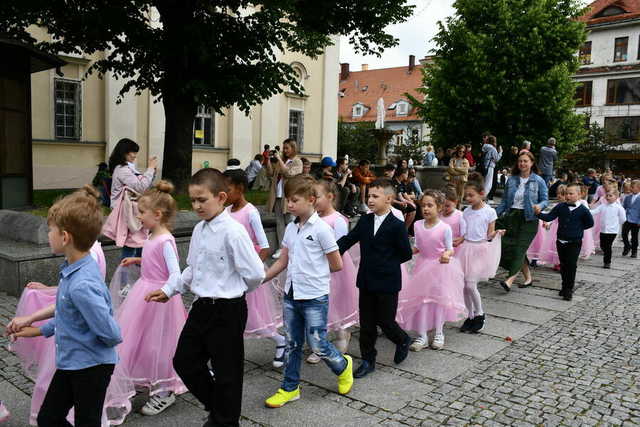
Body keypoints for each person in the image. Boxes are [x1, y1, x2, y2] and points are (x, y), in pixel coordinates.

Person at [145, 168, 265, 427]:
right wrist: (169, 290)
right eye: (193, 200)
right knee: (184, 361)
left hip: (228, 310)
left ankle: (225, 420)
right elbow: (192, 268)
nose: (197, 205)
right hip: (201, 307)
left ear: (221, 197)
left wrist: (235, 294)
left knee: (227, 373)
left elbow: (255, 273)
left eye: (202, 199)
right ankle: (220, 410)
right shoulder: (199, 229)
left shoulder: (233, 232)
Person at [9, 186, 122, 426]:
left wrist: (85, 344)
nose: (48, 234)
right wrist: (38, 329)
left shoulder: (82, 284)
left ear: (65, 237)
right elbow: (70, 315)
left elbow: (111, 333)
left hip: (91, 367)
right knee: (49, 417)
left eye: (50, 229)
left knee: (86, 421)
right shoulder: (72, 269)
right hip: (72, 362)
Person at [262, 175, 353, 408]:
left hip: (314, 296)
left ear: (311, 200)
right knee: (293, 344)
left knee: (318, 343)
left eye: (294, 200)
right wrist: (262, 279)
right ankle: (289, 388)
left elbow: (337, 264)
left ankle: (343, 366)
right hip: (292, 295)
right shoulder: (292, 229)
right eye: (287, 201)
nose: (289, 205)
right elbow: (283, 260)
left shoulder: (322, 229)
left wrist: (313, 273)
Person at [111, 181, 188, 416]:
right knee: (138, 340)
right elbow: (155, 262)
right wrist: (138, 261)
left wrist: (165, 292)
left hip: (160, 300)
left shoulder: (166, 240)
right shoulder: (153, 236)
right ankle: (143, 377)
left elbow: (175, 274)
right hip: (144, 293)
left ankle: (164, 390)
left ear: (157, 214)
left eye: (142, 213)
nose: (139, 218)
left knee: (160, 344)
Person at [336, 179, 413, 379]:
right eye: (369, 195)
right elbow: (349, 239)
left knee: (386, 321)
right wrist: (331, 249)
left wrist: (385, 262)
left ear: (388, 199)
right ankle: (368, 359)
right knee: (367, 324)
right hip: (367, 280)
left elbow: (405, 253)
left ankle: (402, 339)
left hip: (388, 281)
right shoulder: (365, 221)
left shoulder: (396, 225)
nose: (369, 199)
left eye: (375, 196)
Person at [223, 169, 286, 368]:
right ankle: (224, 357)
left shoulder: (251, 212)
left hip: (246, 273)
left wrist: (251, 271)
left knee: (254, 317)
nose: (223, 194)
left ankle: (280, 341)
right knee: (229, 318)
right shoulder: (225, 212)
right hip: (229, 272)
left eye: (227, 189)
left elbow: (265, 247)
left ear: (240, 189)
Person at [400, 191, 466, 351]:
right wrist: (404, 253)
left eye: (430, 205)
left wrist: (446, 253)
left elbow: (450, 248)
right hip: (422, 268)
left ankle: (439, 333)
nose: (426, 209)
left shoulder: (445, 228)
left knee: (438, 301)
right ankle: (422, 335)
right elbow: (418, 247)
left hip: (439, 268)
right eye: (423, 205)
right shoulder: (417, 225)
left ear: (440, 207)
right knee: (421, 301)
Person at [307, 180, 358, 362]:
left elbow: (339, 247)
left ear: (330, 197)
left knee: (336, 303)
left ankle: (342, 334)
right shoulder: (312, 219)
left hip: (335, 269)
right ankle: (320, 343)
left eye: (317, 197)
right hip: (316, 268)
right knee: (319, 307)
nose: (313, 201)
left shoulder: (338, 220)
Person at [496, 152, 549, 292]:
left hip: (529, 219)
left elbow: (545, 200)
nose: (522, 164)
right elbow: (504, 202)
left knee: (519, 248)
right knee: (510, 248)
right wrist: (493, 215)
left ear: (532, 163)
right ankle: (528, 278)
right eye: (520, 161)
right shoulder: (512, 180)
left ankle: (509, 280)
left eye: (525, 161)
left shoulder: (538, 180)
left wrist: (540, 206)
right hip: (512, 217)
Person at [457, 174, 503, 333]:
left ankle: (480, 314)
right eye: (466, 195)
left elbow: (489, 234)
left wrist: (496, 233)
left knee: (471, 284)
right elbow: (464, 232)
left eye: (471, 195)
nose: (467, 198)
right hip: (466, 249)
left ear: (481, 193)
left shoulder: (489, 212)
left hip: (480, 249)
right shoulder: (466, 211)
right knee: (464, 286)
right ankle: (469, 316)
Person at [534, 183, 594, 301]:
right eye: (566, 193)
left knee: (571, 266)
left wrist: (577, 229)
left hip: (574, 242)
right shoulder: (560, 207)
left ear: (579, 195)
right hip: (561, 241)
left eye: (571, 194)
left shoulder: (583, 209)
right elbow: (549, 217)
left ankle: (568, 289)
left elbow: (590, 223)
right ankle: (564, 286)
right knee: (563, 265)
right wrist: (538, 213)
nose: (568, 196)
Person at [106, 138, 157, 259]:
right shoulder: (122, 170)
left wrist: (152, 171)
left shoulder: (128, 168)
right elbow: (141, 187)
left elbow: (143, 184)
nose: (135, 155)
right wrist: (149, 168)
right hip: (128, 214)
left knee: (139, 244)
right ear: (124, 152)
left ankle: (139, 272)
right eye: (132, 152)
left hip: (133, 212)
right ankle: (125, 275)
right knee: (131, 244)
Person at [266, 138, 303, 259]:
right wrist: (267, 159)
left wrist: (280, 160)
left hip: (289, 196)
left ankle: (293, 247)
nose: (284, 150)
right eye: (284, 148)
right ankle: (282, 248)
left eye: (287, 148)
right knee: (279, 222)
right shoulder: (281, 160)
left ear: (293, 148)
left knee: (290, 221)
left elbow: (289, 174)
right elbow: (270, 174)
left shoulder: (297, 162)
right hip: (278, 195)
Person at [590, 189, 626, 269]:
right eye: (607, 195)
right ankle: (606, 255)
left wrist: (616, 225)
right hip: (603, 230)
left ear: (616, 197)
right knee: (603, 245)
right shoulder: (603, 206)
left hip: (612, 231)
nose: (608, 197)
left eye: (610, 196)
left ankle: (607, 262)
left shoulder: (619, 208)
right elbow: (594, 211)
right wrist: (586, 210)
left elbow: (623, 219)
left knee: (608, 246)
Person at [439, 188, 466, 254]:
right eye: (442, 205)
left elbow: (463, 235)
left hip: (454, 248)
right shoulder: (438, 214)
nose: (444, 208)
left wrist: (453, 241)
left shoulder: (460, 215)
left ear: (455, 202)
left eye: (447, 206)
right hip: (440, 248)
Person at [622, 179, 640, 258]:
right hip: (627, 218)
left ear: (639, 188)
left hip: (636, 220)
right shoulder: (628, 197)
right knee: (624, 234)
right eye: (631, 187)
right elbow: (624, 207)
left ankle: (634, 251)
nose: (631, 189)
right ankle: (627, 246)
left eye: (633, 187)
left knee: (634, 237)